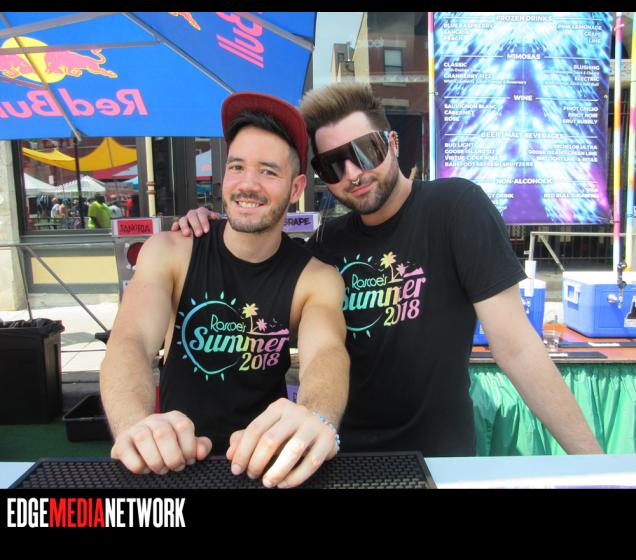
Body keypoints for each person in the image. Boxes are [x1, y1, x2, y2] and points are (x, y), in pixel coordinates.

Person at [175, 82, 603, 457]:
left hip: (438, 459)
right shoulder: (326, 244)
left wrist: (595, 466)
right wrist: (212, 231)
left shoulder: (455, 208)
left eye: (366, 151)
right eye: (332, 165)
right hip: (342, 459)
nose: (353, 173)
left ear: (393, 142)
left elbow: (517, 347)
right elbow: (258, 284)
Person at [101, 92, 349, 489]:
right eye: (237, 167)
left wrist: (317, 416)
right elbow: (130, 341)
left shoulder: (315, 277)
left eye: (268, 171)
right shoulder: (171, 251)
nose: (247, 184)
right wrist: (135, 424)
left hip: (267, 464)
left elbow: (326, 353)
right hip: (172, 463)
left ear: (296, 187)